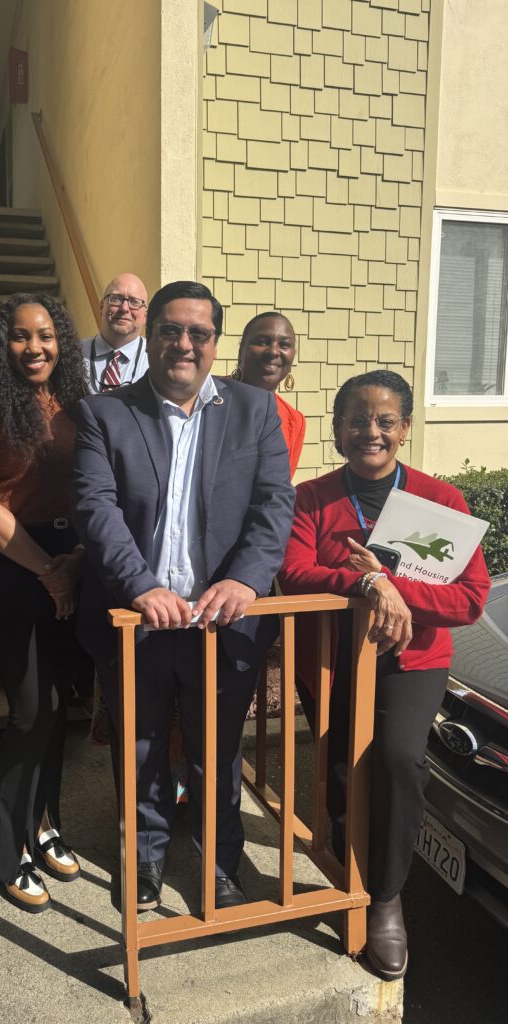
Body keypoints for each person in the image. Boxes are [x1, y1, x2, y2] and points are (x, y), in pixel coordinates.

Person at [73, 280, 295, 911]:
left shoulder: (255, 410)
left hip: (221, 623)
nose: (184, 343)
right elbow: (96, 508)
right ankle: (141, 859)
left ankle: (219, 861)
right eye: (171, 329)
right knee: (139, 746)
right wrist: (140, 584)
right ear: (152, 335)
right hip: (136, 620)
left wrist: (247, 579)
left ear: (215, 342)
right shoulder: (106, 412)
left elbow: (273, 505)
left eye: (199, 333)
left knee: (217, 749)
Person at [277, 369, 490, 981]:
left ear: (404, 430)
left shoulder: (440, 502)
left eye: (385, 421)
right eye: (357, 420)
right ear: (338, 430)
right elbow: (293, 574)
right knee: (343, 766)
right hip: (333, 658)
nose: (370, 431)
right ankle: (351, 868)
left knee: (397, 761)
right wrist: (368, 584)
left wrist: (397, 591)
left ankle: (388, 896)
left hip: (413, 660)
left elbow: (470, 599)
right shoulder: (311, 499)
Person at [0, 292, 89, 914]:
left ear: (61, 340)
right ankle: (5, 852)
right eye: (19, 336)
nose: (33, 347)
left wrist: (76, 565)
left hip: (71, 560)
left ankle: (43, 823)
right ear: (1, 343)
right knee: (31, 709)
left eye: (45, 335)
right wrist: (48, 571)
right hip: (13, 564)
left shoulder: (77, 402)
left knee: (61, 708)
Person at [232, 311, 305, 478]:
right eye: (262, 342)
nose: (273, 352)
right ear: (241, 349)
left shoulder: (294, 420)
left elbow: (281, 485)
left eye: (284, 345)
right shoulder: (208, 397)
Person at [81, 273, 149, 394]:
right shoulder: (75, 353)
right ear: (102, 307)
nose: (124, 308)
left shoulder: (155, 359)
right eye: (116, 298)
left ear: (145, 315)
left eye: (134, 302)